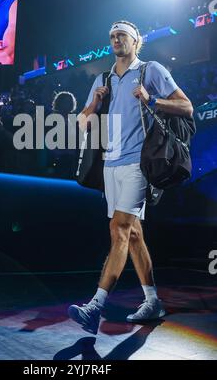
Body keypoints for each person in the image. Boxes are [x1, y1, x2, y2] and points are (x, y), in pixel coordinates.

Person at [68, 20, 193, 334]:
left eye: (121, 35)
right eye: (111, 36)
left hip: (139, 164)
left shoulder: (151, 70)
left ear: (136, 41)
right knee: (133, 234)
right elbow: (81, 124)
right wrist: (95, 103)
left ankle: (95, 306)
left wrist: (152, 100)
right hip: (111, 166)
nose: (115, 40)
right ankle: (152, 301)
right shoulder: (103, 78)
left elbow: (187, 107)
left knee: (119, 228)